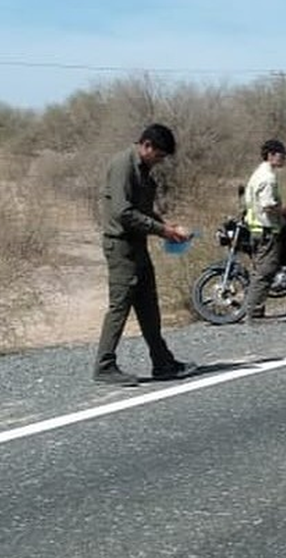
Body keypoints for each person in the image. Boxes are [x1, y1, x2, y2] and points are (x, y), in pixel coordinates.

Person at [94, 123, 198, 386]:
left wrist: (168, 228)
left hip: (137, 245)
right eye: (159, 155)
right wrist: (162, 230)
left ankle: (162, 362)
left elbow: (142, 210)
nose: (160, 161)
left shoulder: (143, 169)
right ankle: (104, 366)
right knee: (120, 305)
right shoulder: (123, 166)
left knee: (148, 306)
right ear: (147, 145)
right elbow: (123, 212)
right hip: (120, 247)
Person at [243, 139, 286, 322]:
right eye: (281, 155)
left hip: (257, 228)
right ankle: (254, 313)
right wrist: (285, 211)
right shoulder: (268, 177)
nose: (284, 159)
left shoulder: (258, 173)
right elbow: (268, 206)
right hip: (266, 228)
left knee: (261, 270)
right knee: (266, 270)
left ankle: (256, 310)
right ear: (271, 155)